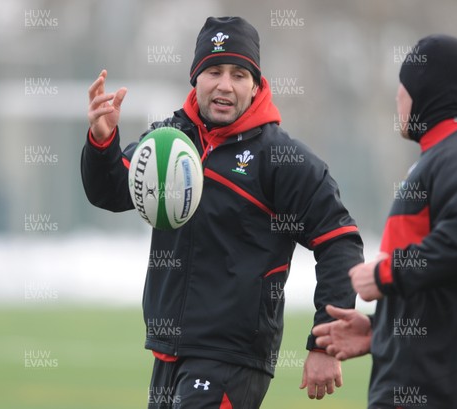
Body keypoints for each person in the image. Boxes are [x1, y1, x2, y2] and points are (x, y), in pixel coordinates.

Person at [82, 16, 364, 409]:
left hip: (231, 357)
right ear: (196, 78)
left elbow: (339, 242)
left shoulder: (280, 159)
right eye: (214, 71)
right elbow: (111, 191)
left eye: (239, 74)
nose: (225, 85)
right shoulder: (170, 142)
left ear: (256, 84)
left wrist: (324, 341)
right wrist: (102, 139)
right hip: (169, 350)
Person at [313, 34, 457, 409]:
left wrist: (383, 275)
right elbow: (447, 290)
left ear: (426, 91)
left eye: (404, 85)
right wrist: (381, 331)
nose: (398, 97)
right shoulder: (447, 157)